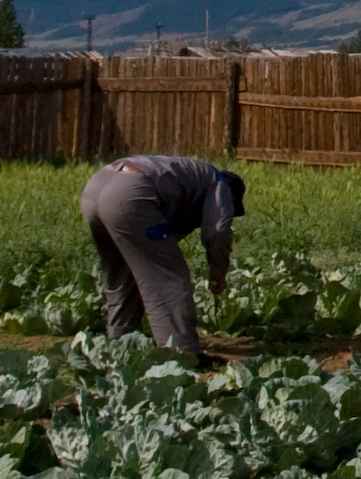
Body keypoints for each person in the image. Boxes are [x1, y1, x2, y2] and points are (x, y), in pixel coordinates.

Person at [79, 154, 246, 362]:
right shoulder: (220, 183)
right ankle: (182, 353)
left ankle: (121, 341)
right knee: (168, 276)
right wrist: (218, 274)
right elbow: (218, 231)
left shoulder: (193, 175)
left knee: (123, 270)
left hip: (96, 187)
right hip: (131, 193)